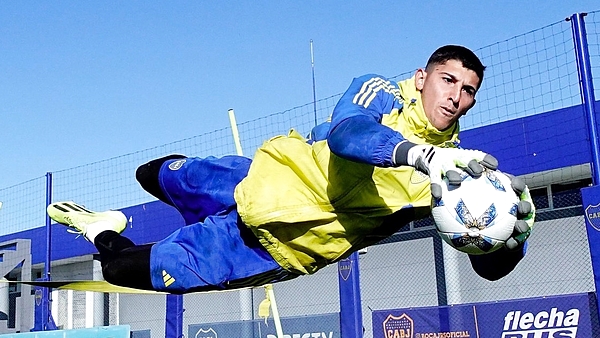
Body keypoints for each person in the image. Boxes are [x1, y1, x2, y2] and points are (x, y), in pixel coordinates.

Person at [48, 45, 535, 294]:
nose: (456, 96)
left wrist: (512, 240)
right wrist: (419, 154)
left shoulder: (458, 178)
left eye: (468, 90)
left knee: (119, 268)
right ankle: (190, 212)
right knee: (150, 172)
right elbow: (348, 134)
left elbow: (485, 264)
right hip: (253, 178)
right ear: (422, 77)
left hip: (267, 248)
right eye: (448, 80)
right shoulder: (381, 92)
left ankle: (102, 228)